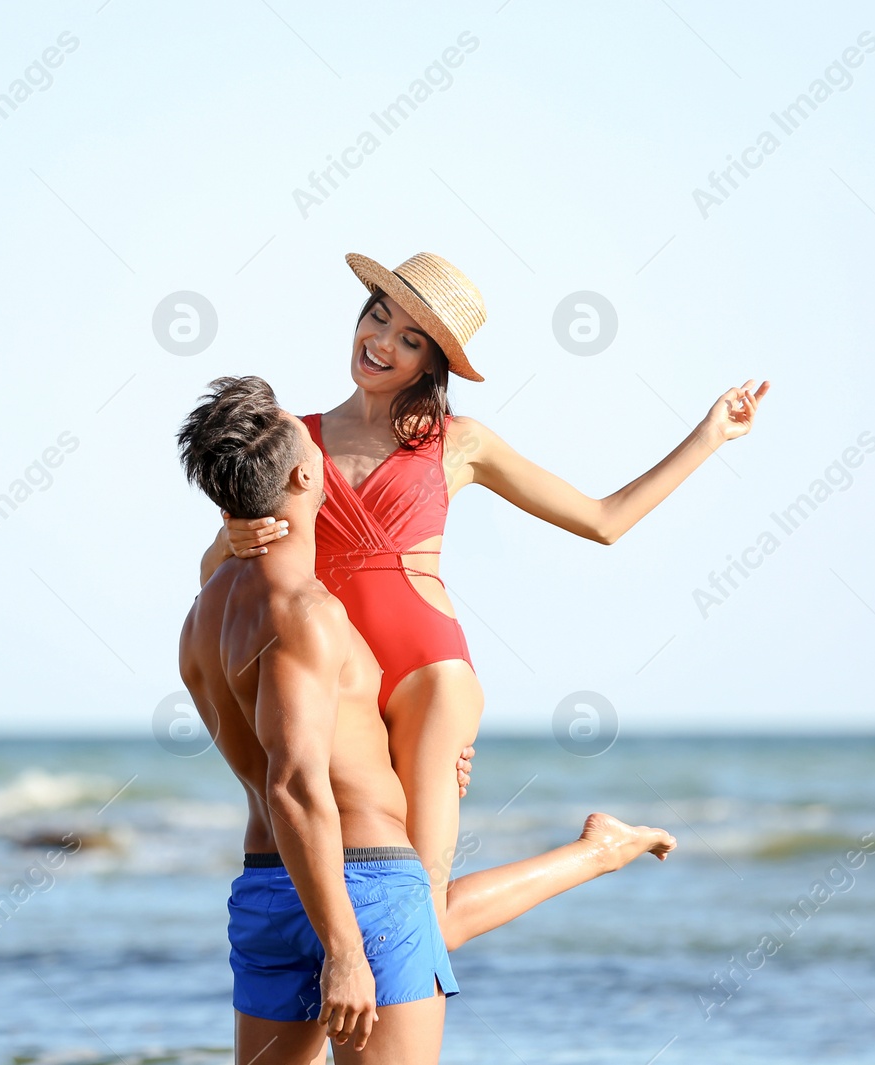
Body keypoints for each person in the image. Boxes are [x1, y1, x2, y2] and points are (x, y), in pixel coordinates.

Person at [201, 252, 767, 925]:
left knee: (419, 915)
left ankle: (598, 852)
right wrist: (230, 539)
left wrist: (709, 436)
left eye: (410, 340)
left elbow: (604, 520)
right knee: (338, 894)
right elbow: (223, 573)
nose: (382, 343)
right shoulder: (292, 438)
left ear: (431, 364)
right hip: (332, 674)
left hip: (425, 672)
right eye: (378, 318)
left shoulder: (459, 442)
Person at [177, 376, 676, 1064]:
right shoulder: (309, 614)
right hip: (366, 890)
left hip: (266, 888)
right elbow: (299, 782)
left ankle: (598, 851)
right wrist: (346, 948)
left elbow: (302, 748)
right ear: (303, 473)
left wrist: (427, 756)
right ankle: (599, 852)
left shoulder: (202, 618)